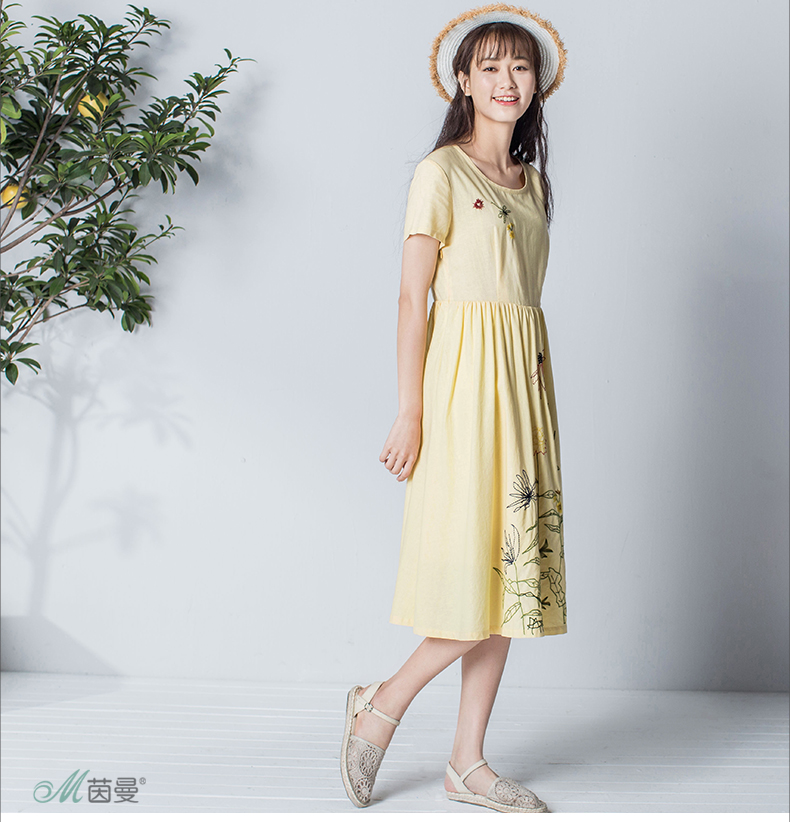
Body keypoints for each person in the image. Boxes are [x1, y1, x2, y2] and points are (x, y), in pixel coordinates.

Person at [340, 3, 568, 813]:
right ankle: (382, 703)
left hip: (524, 386)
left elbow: (521, 299)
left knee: (513, 580)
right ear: (463, 81)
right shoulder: (441, 172)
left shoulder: (533, 182)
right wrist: (410, 409)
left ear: (537, 84)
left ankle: (466, 762)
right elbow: (413, 298)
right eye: (491, 67)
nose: (507, 81)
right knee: (477, 570)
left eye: (520, 67)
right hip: (463, 385)